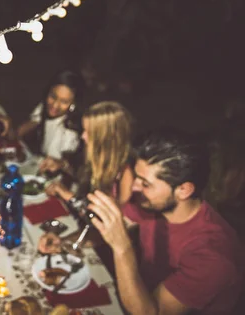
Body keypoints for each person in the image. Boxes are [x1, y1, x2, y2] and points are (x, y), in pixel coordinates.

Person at [41, 129, 243, 314]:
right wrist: (66, 242)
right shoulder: (153, 203)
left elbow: (149, 312)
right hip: (136, 293)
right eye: (137, 178)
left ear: (184, 190)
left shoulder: (212, 255)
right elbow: (110, 229)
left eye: (145, 183)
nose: (135, 187)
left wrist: (122, 247)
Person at [44, 101, 134, 205]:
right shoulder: (96, 153)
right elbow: (84, 177)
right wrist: (62, 164)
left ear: (106, 137)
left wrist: (69, 196)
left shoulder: (126, 172)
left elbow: (114, 216)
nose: (83, 136)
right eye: (84, 130)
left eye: (89, 132)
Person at [17, 70, 84, 165]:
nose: (55, 105)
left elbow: (58, 165)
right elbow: (21, 130)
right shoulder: (43, 108)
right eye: (53, 96)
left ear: (73, 105)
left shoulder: (70, 132)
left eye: (64, 102)